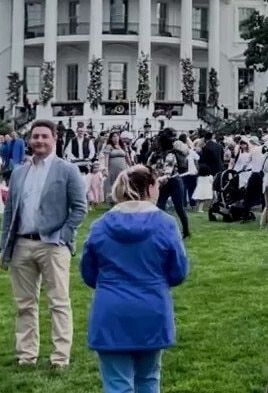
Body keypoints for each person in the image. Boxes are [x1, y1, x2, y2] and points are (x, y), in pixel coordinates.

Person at [81, 165, 189, 393]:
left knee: (117, 385)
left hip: (111, 310)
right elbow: (178, 271)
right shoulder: (166, 224)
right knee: (149, 380)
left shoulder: (99, 226)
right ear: (150, 187)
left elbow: (88, 273)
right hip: (152, 308)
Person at [0, 120, 88, 369]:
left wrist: (63, 235)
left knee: (58, 303)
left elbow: (80, 208)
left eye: (44, 136)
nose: (39, 140)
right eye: (35, 136)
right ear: (30, 140)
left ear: (54, 139)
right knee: (24, 305)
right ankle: (27, 355)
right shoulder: (19, 172)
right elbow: (9, 212)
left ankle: (60, 357)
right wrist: (3, 247)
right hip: (22, 244)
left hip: (53, 245)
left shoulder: (66, 170)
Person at [150, 130, 190, 240]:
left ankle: (186, 231)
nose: (155, 143)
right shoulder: (154, 155)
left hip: (174, 182)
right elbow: (149, 167)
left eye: (157, 141)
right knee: (159, 207)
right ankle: (161, 231)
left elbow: (168, 171)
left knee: (179, 208)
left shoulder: (170, 155)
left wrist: (162, 177)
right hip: (162, 183)